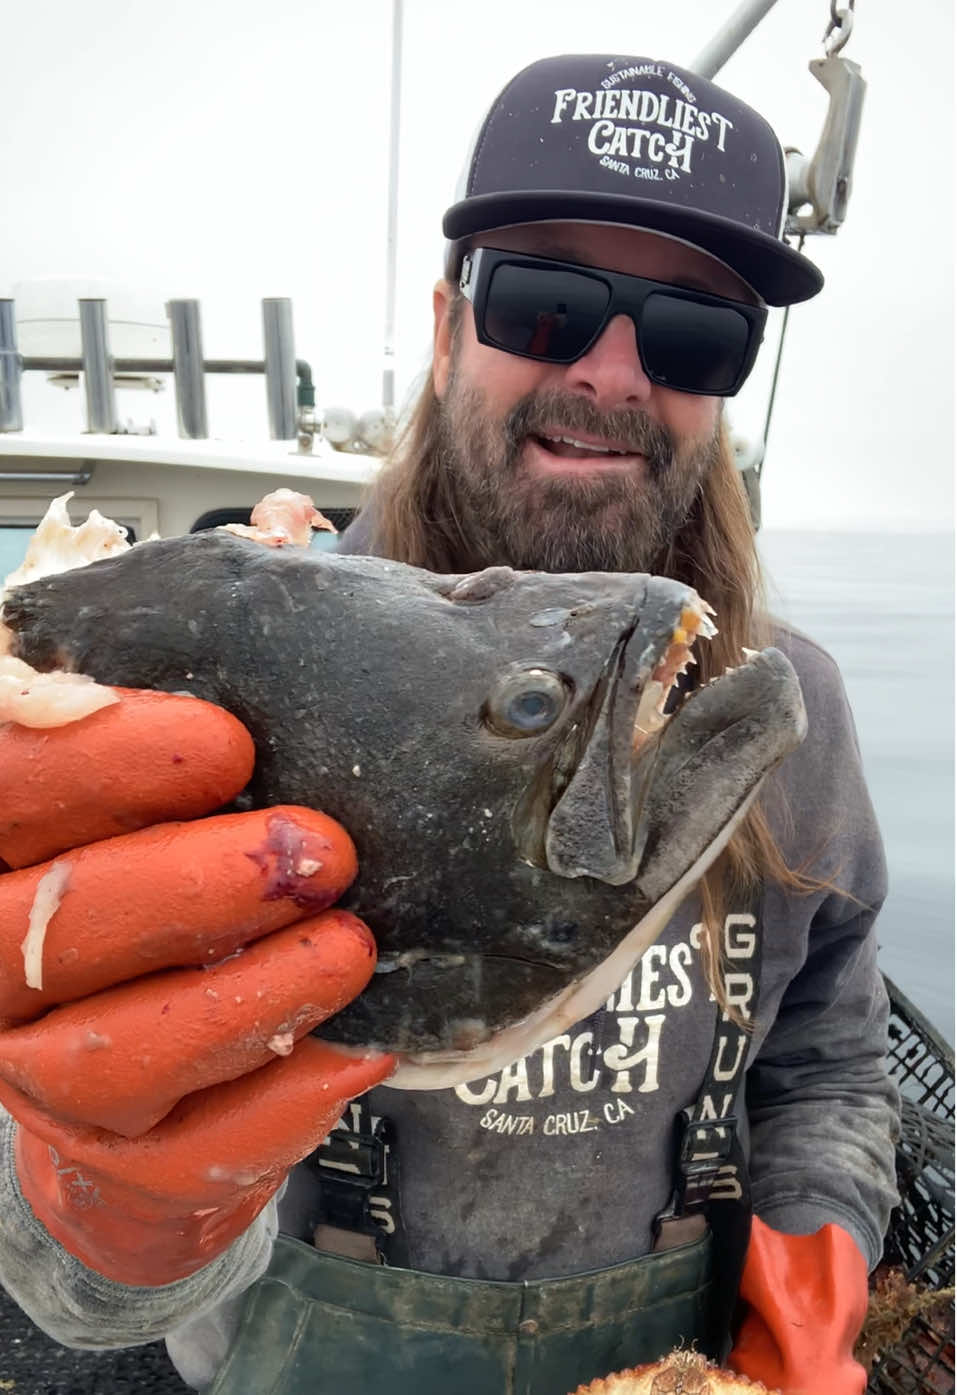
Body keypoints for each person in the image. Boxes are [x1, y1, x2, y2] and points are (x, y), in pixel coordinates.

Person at [0, 53, 898, 1395]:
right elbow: (75, 1279)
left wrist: (811, 1273)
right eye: (542, 305)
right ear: (444, 325)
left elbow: (827, 1051)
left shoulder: (792, 711)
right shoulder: (202, 695)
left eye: (693, 333)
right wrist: (112, 1225)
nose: (608, 374)